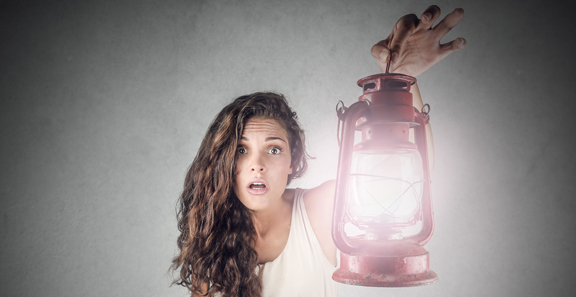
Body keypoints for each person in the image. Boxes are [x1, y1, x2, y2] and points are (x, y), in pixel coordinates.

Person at [171, 5, 466, 297]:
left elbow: (409, 167)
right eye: (241, 150)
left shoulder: (318, 210)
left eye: (274, 150)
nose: (256, 164)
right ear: (223, 161)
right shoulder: (210, 239)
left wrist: (398, 81)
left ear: (292, 161)